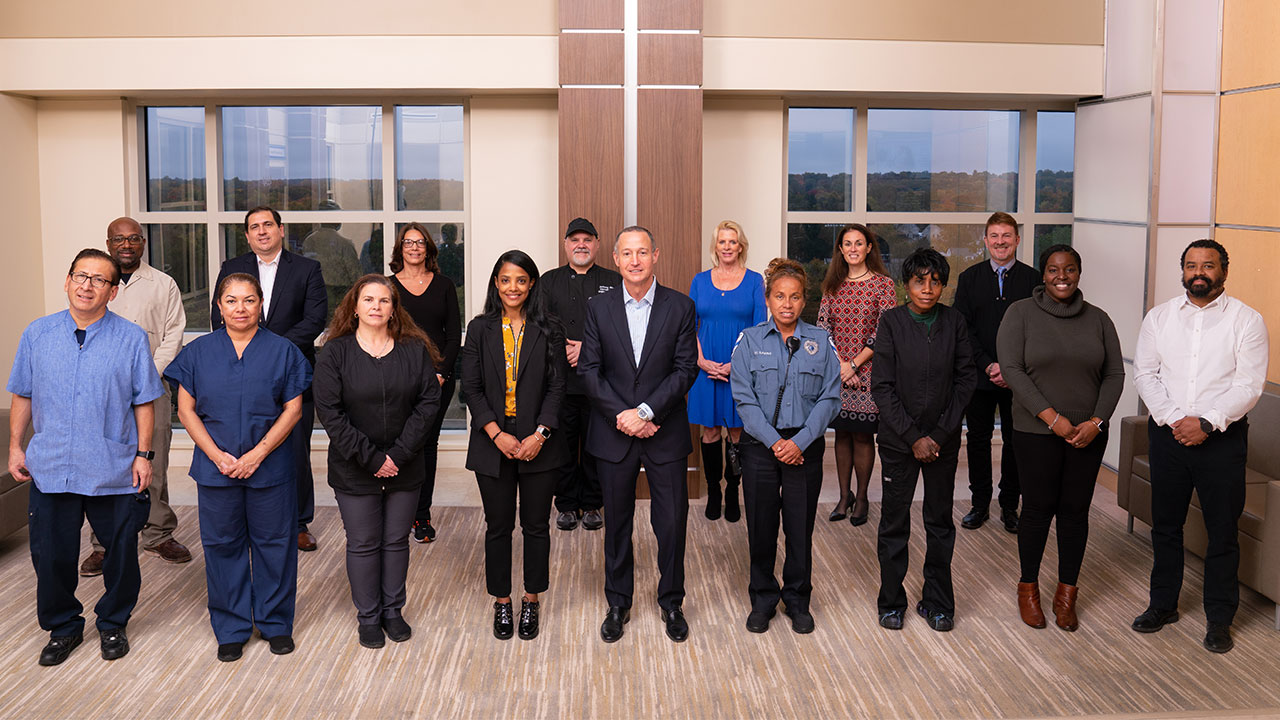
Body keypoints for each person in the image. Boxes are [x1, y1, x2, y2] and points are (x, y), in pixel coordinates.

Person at [6, 249, 164, 666]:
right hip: (51, 465)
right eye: (80, 276)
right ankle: (63, 627)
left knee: (120, 554)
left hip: (111, 466)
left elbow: (144, 401)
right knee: (50, 555)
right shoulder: (37, 334)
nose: (87, 285)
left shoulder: (130, 338)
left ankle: (113, 622)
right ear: (67, 281)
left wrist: (143, 455)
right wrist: (16, 446)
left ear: (112, 292)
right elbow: (23, 393)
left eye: (99, 280)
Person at [1131, 239, 1269, 654]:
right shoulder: (1159, 317)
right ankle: (1163, 605)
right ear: (1183, 271)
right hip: (1169, 436)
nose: (1199, 272)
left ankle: (1220, 619)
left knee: (1222, 532)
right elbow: (1145, 375)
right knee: (1165, 527)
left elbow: (1249, 385)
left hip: (1222, 441)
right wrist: (1177, 420)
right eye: (1191, 265)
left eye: (1208, 265)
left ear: (1224, 271)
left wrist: (1205, 423)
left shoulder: (1247, 320)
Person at [169, 273, 312, 662]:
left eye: (249, 300)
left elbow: (293, 410)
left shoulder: (283, 351)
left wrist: (257, 455)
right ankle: (231, 627)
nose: (240, 308)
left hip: (270, 467)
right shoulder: (198, 352)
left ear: (260, 305)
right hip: (216, 469)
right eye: (231, 301)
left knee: (275, 545)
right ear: (219, 306)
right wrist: (217, 455)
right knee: (222, 546)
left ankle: (275, 623)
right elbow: (185, 410)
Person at [579, 226, 698, 644]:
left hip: (664, 430)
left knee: (672, 522)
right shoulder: (598, 308)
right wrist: (624, 416)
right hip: (614, 433)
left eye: (642, 252)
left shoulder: (680, 306)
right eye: (627, 253)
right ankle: (618, 602)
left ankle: (672, 602)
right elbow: (588, 371)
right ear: (615, 259)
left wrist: (646, 412)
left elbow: (685, 368)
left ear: (655, 256)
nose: (635, 260)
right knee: (617, 523)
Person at [996, 245, 1124, 631]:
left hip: (1087, 435)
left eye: (1069, 269)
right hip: (1036, 431)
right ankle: (1028, 589)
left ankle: (1067, 593)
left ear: (1079, 274)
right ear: (1043, 274)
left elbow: (1114, 375)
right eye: (1053, 269)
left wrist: (1097, 422)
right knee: (1037, 510)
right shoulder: (1020, 313)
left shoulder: (1099, 320)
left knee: (1074, 513)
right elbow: (1012, 370)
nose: (1061, 276)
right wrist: (1053, 419)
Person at [314, 275, 443, 649]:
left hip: (405, 464)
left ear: (394, 309)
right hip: (354, 466)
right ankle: (368, 617)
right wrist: (372, 458)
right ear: (354, 307)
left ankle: (393, 611)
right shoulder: (334, 352)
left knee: (396, 541)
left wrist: (397, 455)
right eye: (368, 299)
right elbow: (331, 413)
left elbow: (428, 404)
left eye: (384, 300)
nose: (376, 306)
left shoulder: (414, 350)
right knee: (364, 542)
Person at [460, 250, 568, 641]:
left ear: (532, 284)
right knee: (498, 525)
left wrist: (540, 435)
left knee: (536, 526)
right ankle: (503, 601)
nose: (513, 287)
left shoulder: (549, 328)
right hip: (493, 438)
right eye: (506, 280)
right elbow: (471, 388)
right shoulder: (479, 329)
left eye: (521, 280)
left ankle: (531, 598)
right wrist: (495, 433)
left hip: (539, 439)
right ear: (496, 283)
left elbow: (558, 386)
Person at [730, 258, 840, 634]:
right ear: (768, 299)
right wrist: (777, 442)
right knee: (761, 527)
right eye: (779, 296)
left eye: (794, 297)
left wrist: (801, 441)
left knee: (799, 527)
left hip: (805, 447)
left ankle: (797, 599)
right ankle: (763, 598)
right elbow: (744, 400)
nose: (787, 304)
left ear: (804, 300)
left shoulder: (820, 342)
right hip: (761, 446)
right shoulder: (748, 341)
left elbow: (830, 398)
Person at [79, 218, 192, 578]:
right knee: (105, 464)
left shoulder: (163, 283)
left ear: (143, 242)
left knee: (153, 460)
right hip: (102, 390)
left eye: (133, 239)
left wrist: (146, 374)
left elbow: (174, 335)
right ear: (108, 243)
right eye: (119, 239)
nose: (126, 245)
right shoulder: (95, 283)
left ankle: (158, 534)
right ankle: (103, 544)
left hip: (151, 386)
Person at [871, 247, 976, 633]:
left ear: (943, 285)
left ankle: (938, 603)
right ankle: (891, 602)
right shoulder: (891, 322)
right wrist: (914, 437)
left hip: (942, 443)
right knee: (894, 523)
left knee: (939, 523)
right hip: (899, 442)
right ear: (906, 285)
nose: (927, 288)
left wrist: (939, 435)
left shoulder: (955, 322)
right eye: (919, 281)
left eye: (935, 282)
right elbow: (882, 387)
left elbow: (966, 380)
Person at [212, 206, 327, 552]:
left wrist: (269, 351)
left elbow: (315, 319)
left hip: (292, 373)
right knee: (244, 444)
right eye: (254, 227)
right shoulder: (231, 268)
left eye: (267, 225)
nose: (262, 231)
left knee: (295, 450)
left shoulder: (307, 269)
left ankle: (298, 523)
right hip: (241, 375)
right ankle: (251, 521)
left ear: (280, 230)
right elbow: (221, 317)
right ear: (247, 235)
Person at [953, 212, 1038, 533]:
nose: (1000, 242)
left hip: (1020, 379)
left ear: (1017, 239)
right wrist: (989, 364)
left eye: (1006, 236)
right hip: (979, 376)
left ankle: (1009, 505)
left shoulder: (1033, 280)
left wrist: (1010, 368)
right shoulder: (969, 278)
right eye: (994, 236)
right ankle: (979, 504)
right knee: (978, 440)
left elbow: (1036, 331)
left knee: (1017, 441)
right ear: (986, 241)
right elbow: (964, 329)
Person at [542, 218, 621, 533]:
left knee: (595, 446)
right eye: (574, 240)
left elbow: (622, 328)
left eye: (587, 239)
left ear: (597, 244)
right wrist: (563, 348)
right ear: (565, 245)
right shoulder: (548, 281)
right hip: (559, 381)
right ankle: (565, 505)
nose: (581, 245)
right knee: (561, 447)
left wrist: (587, 349)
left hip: (601, 381)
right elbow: (540, 326)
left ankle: (591, 504)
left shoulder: (614, 281)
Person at [816, 224, 896, 526]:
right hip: (837, 372)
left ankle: (861, 498)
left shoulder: (883, 285)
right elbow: (823, 327)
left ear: (869, 248)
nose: (853, 249)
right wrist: (841, 365)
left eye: (858, 243)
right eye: (847, 243)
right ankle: (844, 496)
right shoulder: (832, 285)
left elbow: (884, 330)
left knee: (862, 435)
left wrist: (854, 364)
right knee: (841, 434)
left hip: (868, 373)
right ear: (840, 249)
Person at [389, 223, 462, 544]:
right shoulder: (388, 286)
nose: (414, 248)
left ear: (429, 248)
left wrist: (441, 373)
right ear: (400, 249)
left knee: (427, 445)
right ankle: (397, 512)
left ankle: (421, 515)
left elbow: (453, 335)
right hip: (398, 378)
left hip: (437, 379)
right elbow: (384, 332)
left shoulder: (444, 285)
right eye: (408, 242)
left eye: (420, 243)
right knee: (400, 442)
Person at [688, 220, 765, 522]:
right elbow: (689, 326)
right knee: (709, 431)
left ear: (741, 246)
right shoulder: (700, 280)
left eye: (733, 241)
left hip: (740, 368)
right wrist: (701, 361)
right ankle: (713, 490)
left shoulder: (754, 281)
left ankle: (733, 491)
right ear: (715, 246)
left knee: (736, 432)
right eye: (722, 241)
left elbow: (759, 329)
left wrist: (737, 364)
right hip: (705, 368)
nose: (727, 246)